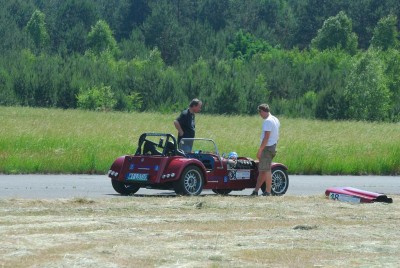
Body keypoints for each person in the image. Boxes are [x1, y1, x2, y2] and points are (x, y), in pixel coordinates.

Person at [251, 104, 280, 196]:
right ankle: (256, 190)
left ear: (263, 111)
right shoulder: (276, 119)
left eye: (259, 112)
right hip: (273, 146)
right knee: (263, 170)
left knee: (266, 169)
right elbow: (276, 136)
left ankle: (268, 191)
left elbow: (266, 137)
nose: (260, 115)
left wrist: (260, 150)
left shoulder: (267, 121)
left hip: (267, 148)